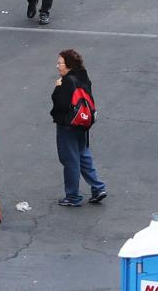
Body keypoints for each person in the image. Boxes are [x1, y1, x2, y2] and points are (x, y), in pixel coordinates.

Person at [51, 49, 107, 207]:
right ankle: (97, 187)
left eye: (60, 63)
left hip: (67, 125)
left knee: (70, 160)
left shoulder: (66, 81)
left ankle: (73, 196)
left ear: (68, 65)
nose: (57, 66)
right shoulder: (84, 77)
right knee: (83, 155)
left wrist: (57, 88)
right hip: (83, 123)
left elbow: (60, 104)